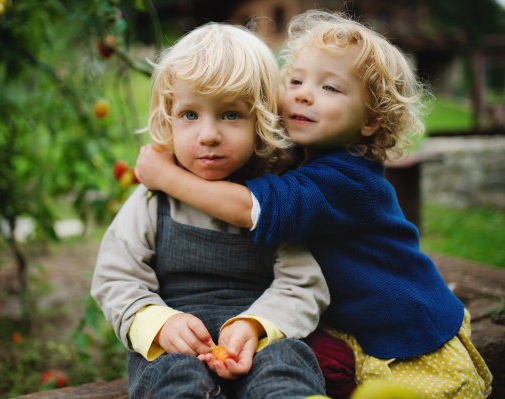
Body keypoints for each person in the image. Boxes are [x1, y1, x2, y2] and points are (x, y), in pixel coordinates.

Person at [135, 10, 493, 398]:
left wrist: (167, 177)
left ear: (371, 120)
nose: (304, 93)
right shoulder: (307, 157)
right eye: (296, 79)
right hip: (348, 326)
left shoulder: (347, 178)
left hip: (406, 333)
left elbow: (252, 208)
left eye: (330, 88)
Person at [91, 22, 331, 399]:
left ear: (261, 121)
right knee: (173, 379)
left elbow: (303, 283)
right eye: (189, 115)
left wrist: (257, 326)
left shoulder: (269, 201)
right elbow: (115, 277)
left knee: (287, 366)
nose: (208, 135)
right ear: (168, 116)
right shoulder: (155, 199)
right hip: (175, 346)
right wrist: (157, 323)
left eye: (231, 115)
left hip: (256, 344)